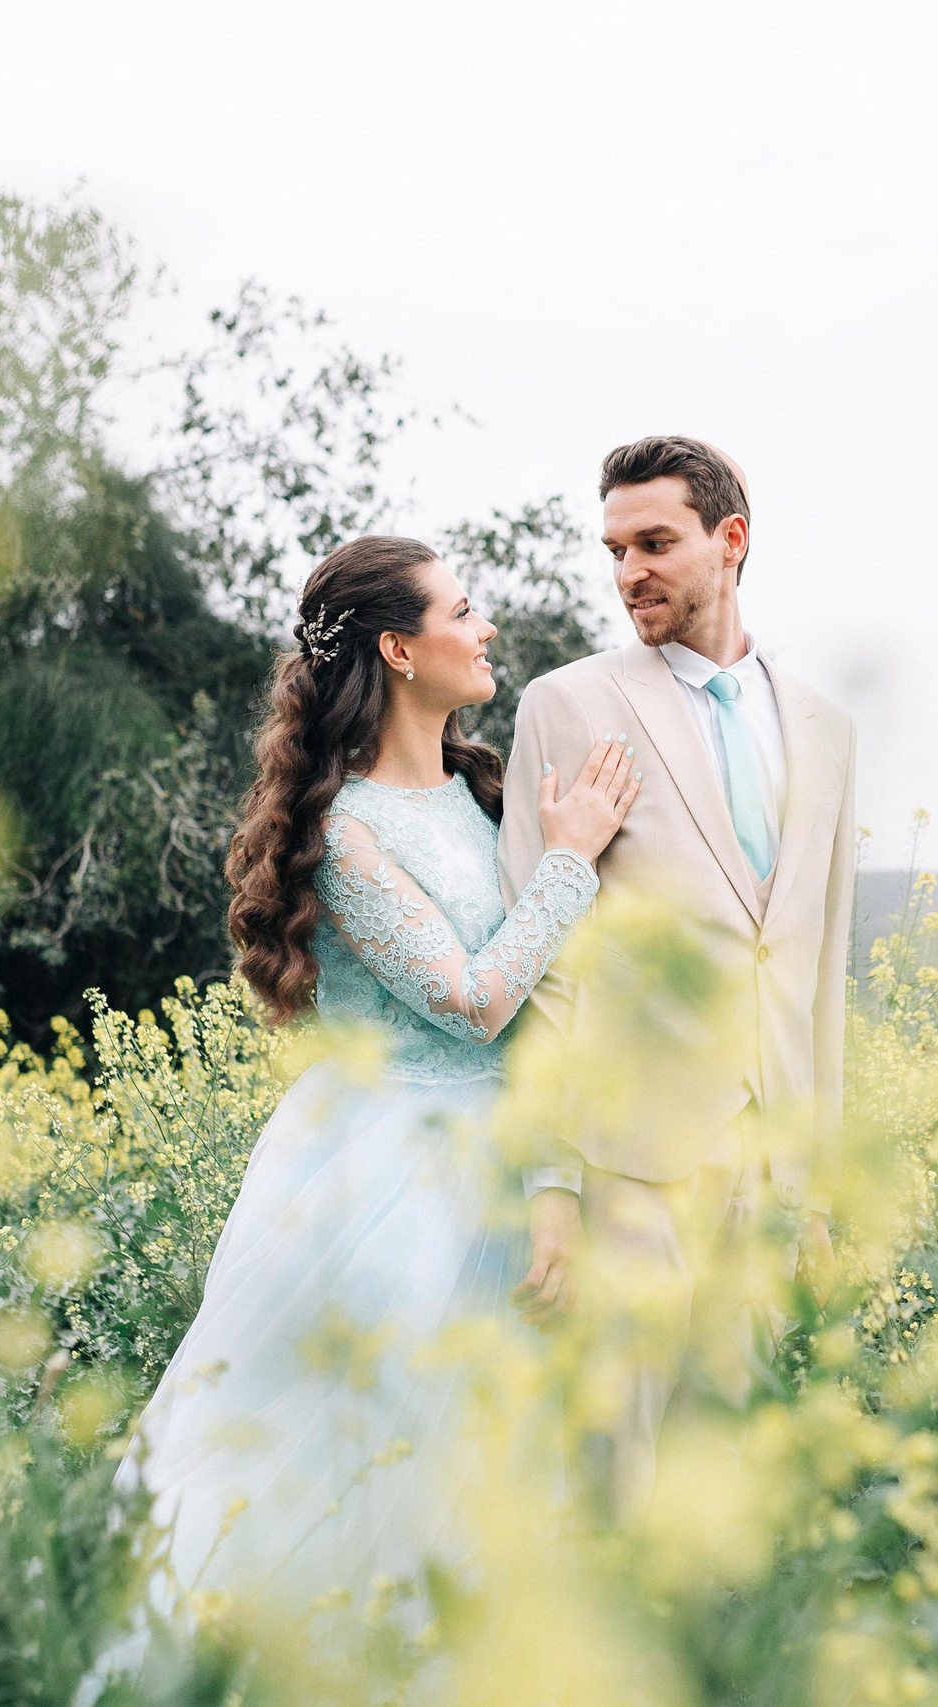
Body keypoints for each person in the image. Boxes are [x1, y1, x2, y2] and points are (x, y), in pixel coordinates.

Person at [91, 534, 640, 1659]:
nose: (485, 627)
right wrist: (572, 860)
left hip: (512, 1163)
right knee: (352, 1479)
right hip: (388, 1180)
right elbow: (477, 1002)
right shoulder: (343, 833)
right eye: (463, 608)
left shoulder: (490, 794)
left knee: (493, 1492)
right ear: (399, 648)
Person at [497, 435, 857, 1511]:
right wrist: (549, 1189)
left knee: (733, 1488)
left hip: (765, 1162)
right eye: (614, 550)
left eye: (655, 543)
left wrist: (814, 1193)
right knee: (616, 1476)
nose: (628, 574)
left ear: (729, 541)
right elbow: (545, 961)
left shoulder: (828, 730)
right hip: (628, 1163)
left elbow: (818, 969)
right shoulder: (564, 705)